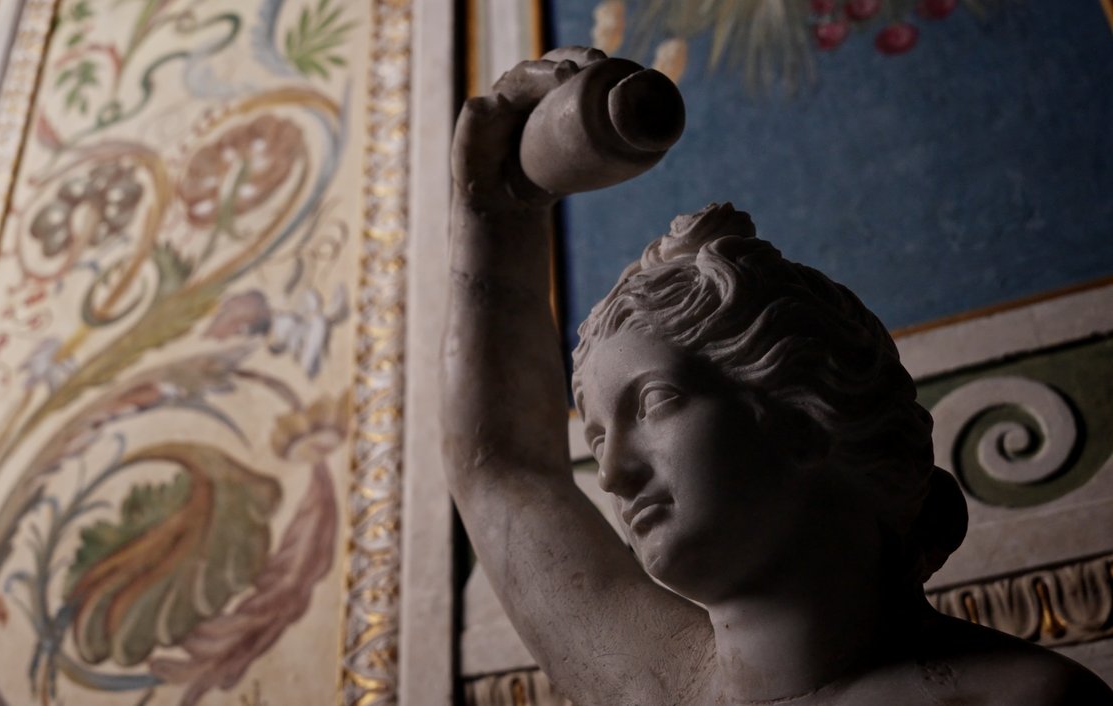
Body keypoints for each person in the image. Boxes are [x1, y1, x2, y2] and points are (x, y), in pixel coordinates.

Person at [441, 47, 1113, 705]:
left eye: (654, 401)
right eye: (596, 438)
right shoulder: (658, 689)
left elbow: (501, 469)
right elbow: (499, 467)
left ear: (803, 414)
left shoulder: (1024, 699)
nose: (613, 473)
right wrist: (492, 211)